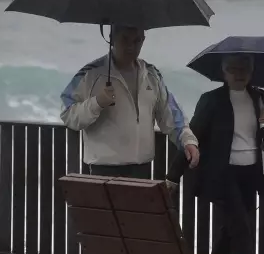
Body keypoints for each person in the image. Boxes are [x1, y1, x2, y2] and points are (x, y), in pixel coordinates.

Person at [166, 54, 264, 254]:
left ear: (252, 72)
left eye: (244, 68)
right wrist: (174, 175)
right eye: (233, 69)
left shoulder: (261, 98)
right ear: (224, 72)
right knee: (242, 230)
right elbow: (193, 135)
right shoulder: (212, 99)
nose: (239, 73)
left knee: (229, 232)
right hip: (223, 174)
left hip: (250, 174)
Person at [60, 25, 200, 179]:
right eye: (125, 39)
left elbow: (171, 115)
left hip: (142, 168)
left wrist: (188, 141)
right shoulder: (90, 73)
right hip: (103, 169)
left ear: (143, 40)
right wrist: (97, 103)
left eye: (137, 41)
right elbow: (68, 114)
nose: (131, 46)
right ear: (112, 38)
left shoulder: (152, 74)